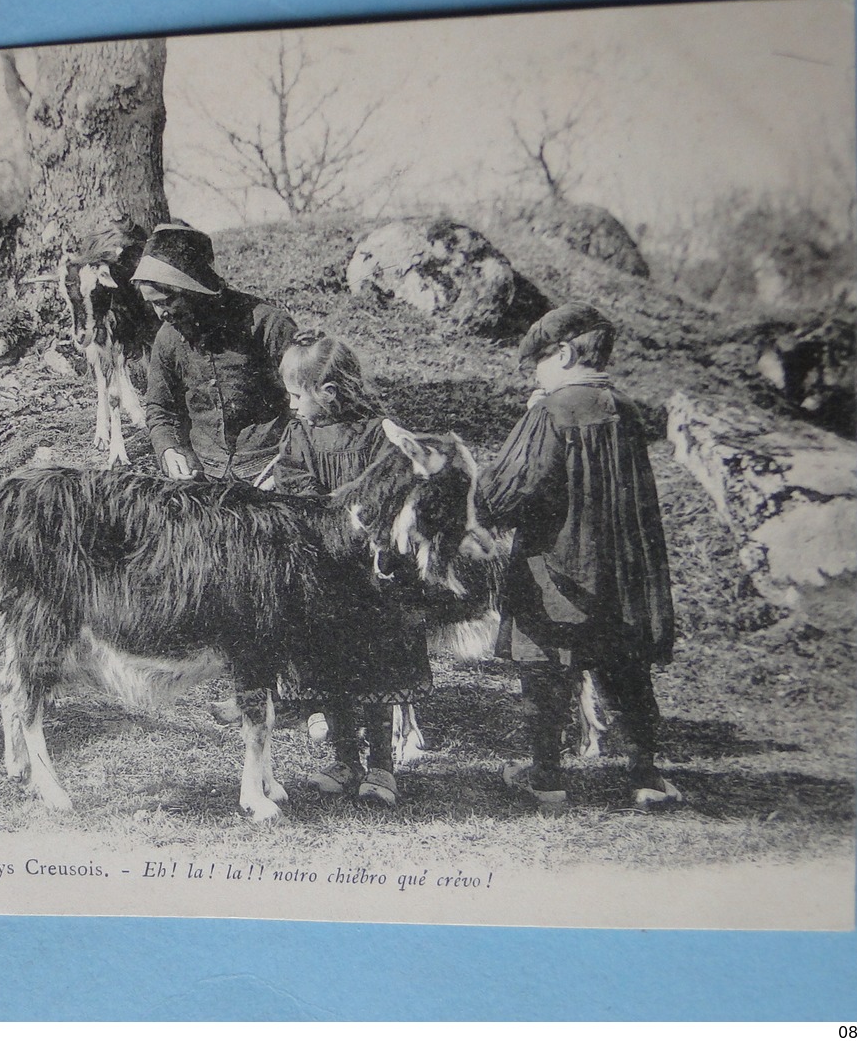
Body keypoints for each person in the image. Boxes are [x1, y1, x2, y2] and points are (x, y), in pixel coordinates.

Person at [476, 302, 681, 812]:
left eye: (539, 360)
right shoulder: (627, 410)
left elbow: (500, 497)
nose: (537, 374)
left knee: (544, 672)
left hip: (556, 572)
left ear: (564, 354)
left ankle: (547, 780)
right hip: (619, 570)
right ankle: (646, 778)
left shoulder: (549, 412)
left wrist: (523, 425)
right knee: (627, 670)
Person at [268, 330, 432, 807]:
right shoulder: (299, 435)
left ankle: (381, 767)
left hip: (376, 576)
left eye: (297, 395)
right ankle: (345, 759)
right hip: (325, 571)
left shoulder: (379, 435)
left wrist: (362, 517)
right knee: (331, 666)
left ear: (329, 392)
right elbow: (292, 486)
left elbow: (393, 488)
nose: (291, 404)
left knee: (377, 672)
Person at [134, 223, 297, 481]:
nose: (160, 313)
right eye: (152, 304)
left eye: (167, 302)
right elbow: (160, 408)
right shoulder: (168, 337)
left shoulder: (268, 324)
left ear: (194, 290)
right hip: (205, 475)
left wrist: (290, 465)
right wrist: (168, 450)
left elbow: (307, 403)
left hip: (268, 469)